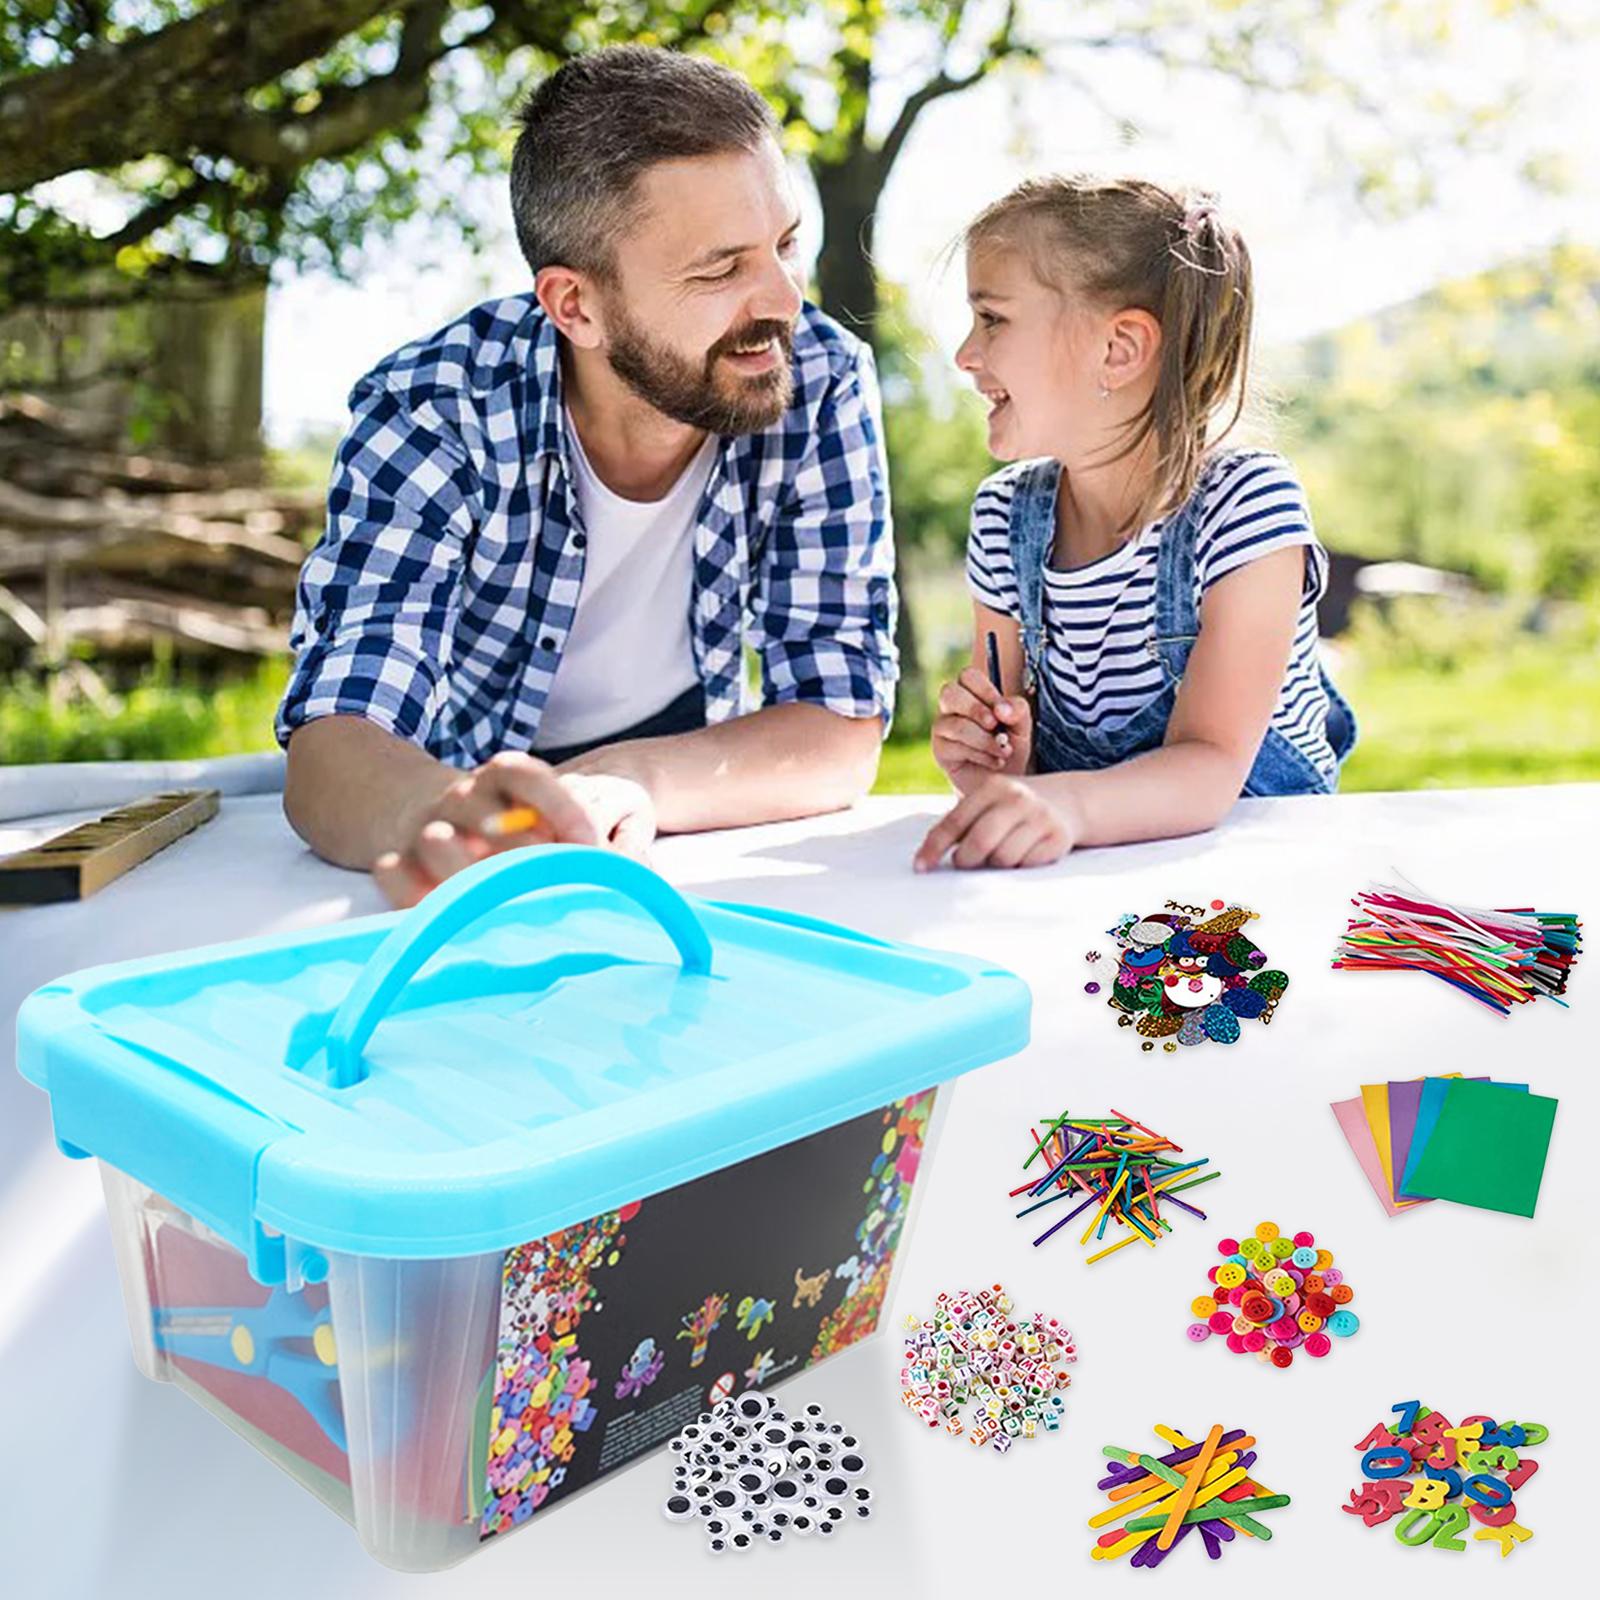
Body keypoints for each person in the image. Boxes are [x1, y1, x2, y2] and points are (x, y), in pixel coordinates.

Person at [277, 47, 897, 907]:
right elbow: (335, 742)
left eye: (786, 244)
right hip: (458, 769)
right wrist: (451, 817)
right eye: (722, 269)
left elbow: (839, 727)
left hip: (681, 778)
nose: (785, 299)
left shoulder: (817, 375)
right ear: (575, 306)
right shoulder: (434, 407)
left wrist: (626, 782)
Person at [915, 175, 1356, 872]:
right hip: (1090, 880)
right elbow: (1015, 765)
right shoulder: (1004, 518)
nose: (965, 354)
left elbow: (1211, 765)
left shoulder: (1244, 507)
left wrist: (1071, 806)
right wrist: (999, 765)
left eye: (992, 318)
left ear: (1118, 350)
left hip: (1251, 878)